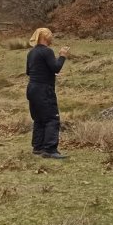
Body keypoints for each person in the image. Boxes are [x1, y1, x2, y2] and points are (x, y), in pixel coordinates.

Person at [25, 28, 69, 159]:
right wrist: (62, 56)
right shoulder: (47, 51)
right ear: (45, 37)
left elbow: (29, 71)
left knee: (38, 118)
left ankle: (37, 147)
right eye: (51, 36)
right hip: (44, 90)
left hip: (32, 88)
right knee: (51, 118)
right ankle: (50, 149)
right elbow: (56, 67)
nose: (52, 38)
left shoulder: (31, 53)